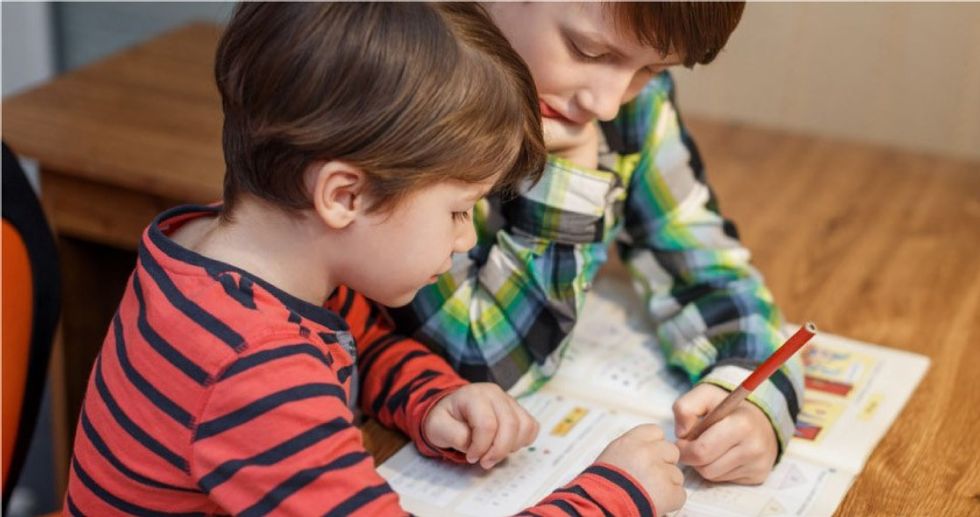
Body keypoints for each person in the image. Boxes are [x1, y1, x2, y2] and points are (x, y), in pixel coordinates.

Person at [64, 3, 685, 515]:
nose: (467, 238)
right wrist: (615, 497)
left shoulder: (221, 256)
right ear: (344, 195)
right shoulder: (255, 370)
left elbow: (353, 340)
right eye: (457, 210)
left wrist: (431, 398)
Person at [391, 2, 804, 485]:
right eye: (587, 50)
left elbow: (706, 267)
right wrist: (573, 170)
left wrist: (753, 399)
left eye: (651, 69)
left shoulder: (633, 110)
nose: (607, 104)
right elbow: (480, 366)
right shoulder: (404, 87)